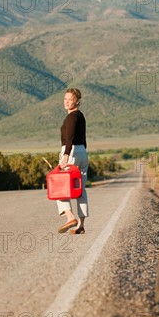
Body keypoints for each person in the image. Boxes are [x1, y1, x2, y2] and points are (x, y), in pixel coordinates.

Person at [57, 88, 89, 235]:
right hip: (82, 152)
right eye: (65, 99)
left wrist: (65, 156)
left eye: (70, 99)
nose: (66, 102)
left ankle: (70, 217)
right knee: (80, 189)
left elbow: (69, 139)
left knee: (60, 186)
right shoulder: (81, 116)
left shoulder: (71, 117)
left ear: (77, 101)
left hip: (71, 153)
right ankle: (81, 225)